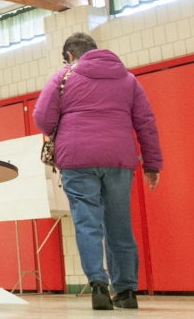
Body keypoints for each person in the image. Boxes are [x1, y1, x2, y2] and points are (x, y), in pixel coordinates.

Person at [33, 32, 162, 310]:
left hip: (77, 159)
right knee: (119, 224)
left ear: (69, 55)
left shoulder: (64, 77)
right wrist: (152, 163)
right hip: (118, 160)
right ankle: (127, 292)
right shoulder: (128, 79)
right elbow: (146, 123)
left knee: (87, 223)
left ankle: (99, 288)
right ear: (95, 50)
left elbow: (42, 118)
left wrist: (62, 126)